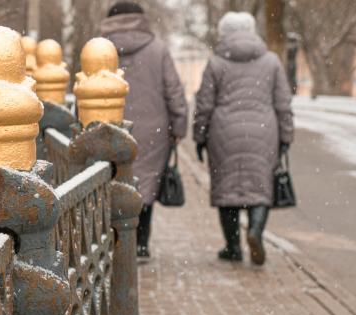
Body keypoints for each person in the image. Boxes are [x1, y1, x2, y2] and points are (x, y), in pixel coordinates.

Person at [193, 12, 294, 265]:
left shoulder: (216, 62)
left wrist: (200, 136)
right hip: (264, 130)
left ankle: (233, 247)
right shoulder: (271, 61)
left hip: (223, 131)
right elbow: (283, 103)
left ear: (224, 33)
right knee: (261, 186)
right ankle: (256, 231)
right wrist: (286, 135)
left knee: (227, 189)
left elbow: (204, 104)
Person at [101, 1, 189, 257]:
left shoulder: (99, 49)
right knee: (146, 182)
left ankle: (114, 239)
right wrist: (179, 126)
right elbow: (174, 91)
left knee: (112, 179)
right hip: (153, 129)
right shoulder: (158, 49)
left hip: (110, 125)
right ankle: (140, 243)